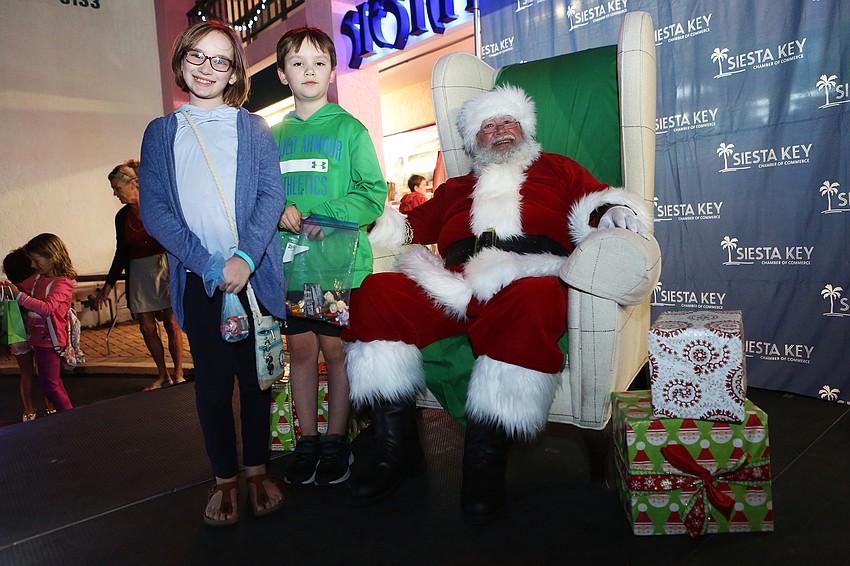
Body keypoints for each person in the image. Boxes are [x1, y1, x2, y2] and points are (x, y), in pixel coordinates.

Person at [342, 85, 651, 524]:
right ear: (473, 143)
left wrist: (613, 211)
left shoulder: (556, 169)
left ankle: (484, 459)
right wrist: (361, 217)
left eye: (508, 122)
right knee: (377, 294)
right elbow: (406, 227)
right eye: (488, 126)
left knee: (533, 298)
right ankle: (396, 446)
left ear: (524, 129)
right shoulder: (455, 188)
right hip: (455, 284)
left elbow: (595, 203)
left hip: (529, 275)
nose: (501, 130)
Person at [138, 20, 286, 526]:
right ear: (181, 61)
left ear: (234, 72)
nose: (207, 68)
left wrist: (244, 259)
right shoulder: (161, 132)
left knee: (257, 379)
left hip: (255, 279)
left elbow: (272, 196)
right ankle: (224, 477)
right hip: (198, 281)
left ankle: (257, 470)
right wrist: (207, 263)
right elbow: (155, 209)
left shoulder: (254, 128)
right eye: (197, 56)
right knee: (212, 387)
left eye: (220, 60)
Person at [272, 27, 385, 486]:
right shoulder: (271, 136)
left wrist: (326, 214)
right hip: (290, 265)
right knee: (299, 350)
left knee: (337, 352)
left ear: (333, 72)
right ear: (282, 75)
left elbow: (373, 194)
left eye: (319, 62)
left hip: (340, 264)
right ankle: (308, 440)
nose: (309, 71)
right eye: (297, 63)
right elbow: (260, 196)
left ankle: (337, 439)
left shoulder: (349, 129)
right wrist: (277, 210)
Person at [94, 160, 185, 391]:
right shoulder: (122, 217)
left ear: (133, 183)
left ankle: (178, 373)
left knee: (171, 323)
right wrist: (109, 284)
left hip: (164, 267)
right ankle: (162, 374)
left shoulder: (158, 205)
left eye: (117, 188)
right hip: (139, 271)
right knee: (146, 327)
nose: (115, 194)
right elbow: (121, 250)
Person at [1, 234, 80, 414]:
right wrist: (8, 288)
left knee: (50, 386)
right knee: (52, 383)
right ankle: (68, 415)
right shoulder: (39, 278)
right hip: (40, 340)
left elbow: (47, 308)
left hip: (51, 341)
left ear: (52, 257)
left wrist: (19, 296)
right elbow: (20, 286)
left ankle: (71, 416)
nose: (33, 266)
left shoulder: (62, 283)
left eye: (36, 261)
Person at [1, 248, 55, 421]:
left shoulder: (8, 288)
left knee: (26, 372)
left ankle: (29, 411)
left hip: (17, 329)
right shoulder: (37, 284)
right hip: (38, 329)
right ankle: (51, 408)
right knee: (44, 371)